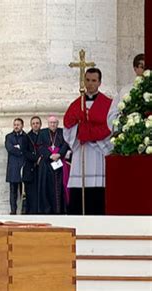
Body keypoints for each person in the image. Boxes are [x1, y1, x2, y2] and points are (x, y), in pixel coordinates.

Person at [63, 68, 113, 215]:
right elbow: (67, 128)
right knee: (80, 195)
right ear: (84, 81)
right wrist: (80, 129)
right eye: (88, 80)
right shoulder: (76, 105)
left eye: (94, 81)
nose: (90, 84)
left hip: (98, 152)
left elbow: (111, 126)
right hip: (81, 152)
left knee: (97, 194)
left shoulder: (108, 104)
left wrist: (92, 135)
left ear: (99, 82)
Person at [37, 116, 69, 214]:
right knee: (46, 187)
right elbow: (40, 146)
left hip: (59, 164)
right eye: (51, 122)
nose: (53, 124)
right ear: (48, 123)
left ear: (57, 123)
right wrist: (50, 156)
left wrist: (59, 154)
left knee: (59, 188)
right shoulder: (42, 133)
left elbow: (65, 144)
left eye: (54, 122)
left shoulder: (62, 132)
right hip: (46, 164)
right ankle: (47, 210)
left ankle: (59, 210)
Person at [108, 53, 145, 128]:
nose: (145, 70)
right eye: (142, 67)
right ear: (135, 68)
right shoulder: (125, 91)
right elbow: (113, 114)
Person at [21, 116, 42, 214]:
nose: (35, 125)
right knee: (31, 194)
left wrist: (41, 158)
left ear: (40, 124)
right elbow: (25, 152)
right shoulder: (26, 137)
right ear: (31, 125)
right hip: (30, 169)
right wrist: (36, 159)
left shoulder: (44, 135)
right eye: (33, 123)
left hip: (42, 168)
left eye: (37, 123)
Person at [5, 118, 25, 215]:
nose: (16, 126)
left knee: (24, 191)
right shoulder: (9, 137)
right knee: (13, 191)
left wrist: (18, 148)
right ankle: (13, 210)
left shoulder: (26, 136)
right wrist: (20, 150)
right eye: (15, 124)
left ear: (22, 125)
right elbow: (10, 148)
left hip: (23, 166)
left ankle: (23, 210)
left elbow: (26, 149)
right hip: (13, 168)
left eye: (18, 124)